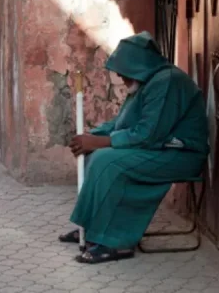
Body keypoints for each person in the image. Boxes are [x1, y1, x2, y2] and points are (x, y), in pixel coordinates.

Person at [59, 31, 209, 264]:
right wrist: (91, 137)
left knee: (107, 162)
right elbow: (122, 124)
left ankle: (115, 242)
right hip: (158, 149)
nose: (120, 75)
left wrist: (101, 142)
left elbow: (148, 134)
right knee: (95, 156)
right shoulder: (145, 82)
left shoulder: (166, 82)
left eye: (124, 70)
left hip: (180, 155)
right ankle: (90, 229)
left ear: (139, 66)